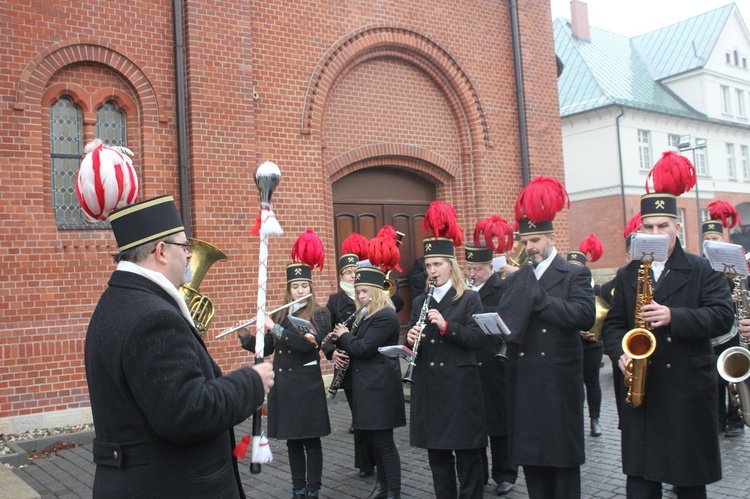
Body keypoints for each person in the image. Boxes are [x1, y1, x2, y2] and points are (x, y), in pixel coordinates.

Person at [84, 195, 275, 498]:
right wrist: (252, 382)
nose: (189, 255)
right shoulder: (153, 316)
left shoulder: (116, 301)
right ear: (161, 251)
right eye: (184, 247)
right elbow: (190, 412)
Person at [602, 151, 734, 498]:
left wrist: (674, 316)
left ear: (677, 227)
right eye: (649, 227)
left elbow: (722, 316)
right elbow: (613, 326)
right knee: (641, 483)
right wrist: (619, 355)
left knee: (689, 482)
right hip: (642, 391)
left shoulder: (702, 268)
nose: (656, 233)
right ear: (639, 230)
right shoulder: (628, 273)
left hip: (686, 390)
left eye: (664, 226)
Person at [495, 176, 595, 499]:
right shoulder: (518, 277)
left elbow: (584, 315)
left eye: (535, 240)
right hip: (525, 384)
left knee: (563, 470)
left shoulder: (574, 273)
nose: (530, 248)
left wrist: (541, 299)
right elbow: (506, 320)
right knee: (534, 467)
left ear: (550, 237)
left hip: (558, 384)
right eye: (525, 242)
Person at [239, 230, 331, 499]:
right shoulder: (281, 312)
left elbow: (305, 344)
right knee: (293, 442)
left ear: (310, 287)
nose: (300, 290)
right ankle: (298, 487)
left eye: (304, 286)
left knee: (311, 442)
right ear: (289, 288)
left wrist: (274, 329)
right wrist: (248, 336)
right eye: (295, 286)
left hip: (306, 386)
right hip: (286, 387)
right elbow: (268, 347)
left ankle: (313, 489)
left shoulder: (320, 313)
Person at [405, 201, 487, 499]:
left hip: (460, 386)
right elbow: (415, 346)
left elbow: (478, 339)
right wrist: (411, 340)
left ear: (450, 265)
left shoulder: (469, 298)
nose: (432, 270)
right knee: (438, 457)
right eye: (428, 265)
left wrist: (446, 326)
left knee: (467, 456)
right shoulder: (420, 301)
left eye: (437, 264)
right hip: (431, 387)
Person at [328, 235, 406, 499]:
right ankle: (382, 486)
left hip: (380, 388)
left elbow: (362, 348)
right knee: (374, 441)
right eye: (358, 291)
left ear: (376, 292)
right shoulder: (368, 314)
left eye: (364, 292)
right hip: (368, 388)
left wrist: (343, 336)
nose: (360, 296)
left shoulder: (384, 315)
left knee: (384, 444)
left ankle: (392, 490)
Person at [464, 216, 518, 496]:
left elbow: (508, 319)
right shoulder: (464, 290)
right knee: (476, 422)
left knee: (499, 422)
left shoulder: (503, 286)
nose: (472, 273)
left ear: (490, 267)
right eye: (468, 268)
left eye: (477, 268)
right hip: (472, 361)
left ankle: (505, 473)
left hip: (495, 361)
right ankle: (480, 474)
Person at [323, 233, 377, 478]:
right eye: (348, 272)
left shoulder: (368, 295)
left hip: (367, 360)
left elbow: (395, 302)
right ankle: (365, 463)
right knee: (358, 415)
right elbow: (325, 335)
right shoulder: (334, 301)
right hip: (346, 362)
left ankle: (376, 458)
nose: (352, 276)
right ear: (340, 276)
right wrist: (332, 353)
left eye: (356, 271)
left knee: (371, 413)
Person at [702, 201, 745, 438]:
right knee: (714, 378)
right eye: (707, 238)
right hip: (712, 330)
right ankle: (717, 419)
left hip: (732, 328)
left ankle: (735, 418)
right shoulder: (701, 266)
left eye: (715, 238)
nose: (711, 242)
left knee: (733, 374)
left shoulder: (735, 263)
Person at [567, 234, 605, 438]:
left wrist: (597, 333)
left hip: (592, 344)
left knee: (592, 382)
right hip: (572, 342)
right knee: (574, 382)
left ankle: (595, 419)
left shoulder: (597, 289)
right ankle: (577, 419)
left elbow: (605, 317)